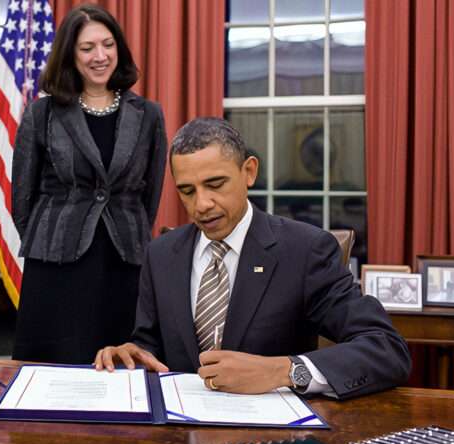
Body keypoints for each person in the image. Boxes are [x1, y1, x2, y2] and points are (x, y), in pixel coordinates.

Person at [95, 117, 411, 400]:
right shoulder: (161, 253)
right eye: (187, 191)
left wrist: (283, 371)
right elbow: (149, 347)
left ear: (249, 172)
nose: (201, 204)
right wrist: (131, 356)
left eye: (215, 184)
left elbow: (386, 349)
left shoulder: (305, 251)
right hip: (179, 436)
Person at [11, 4, 167, 364]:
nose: (100, 56)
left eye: (108, 44)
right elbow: (23, 197)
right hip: (54, 267)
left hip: (124, 263)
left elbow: (151, 195)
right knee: (51, 375)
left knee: (120, 371)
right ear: (70, 55)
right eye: (87, 48)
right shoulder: (42, 113)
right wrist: (51, 236)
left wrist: (130, 232)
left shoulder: (149, 115)